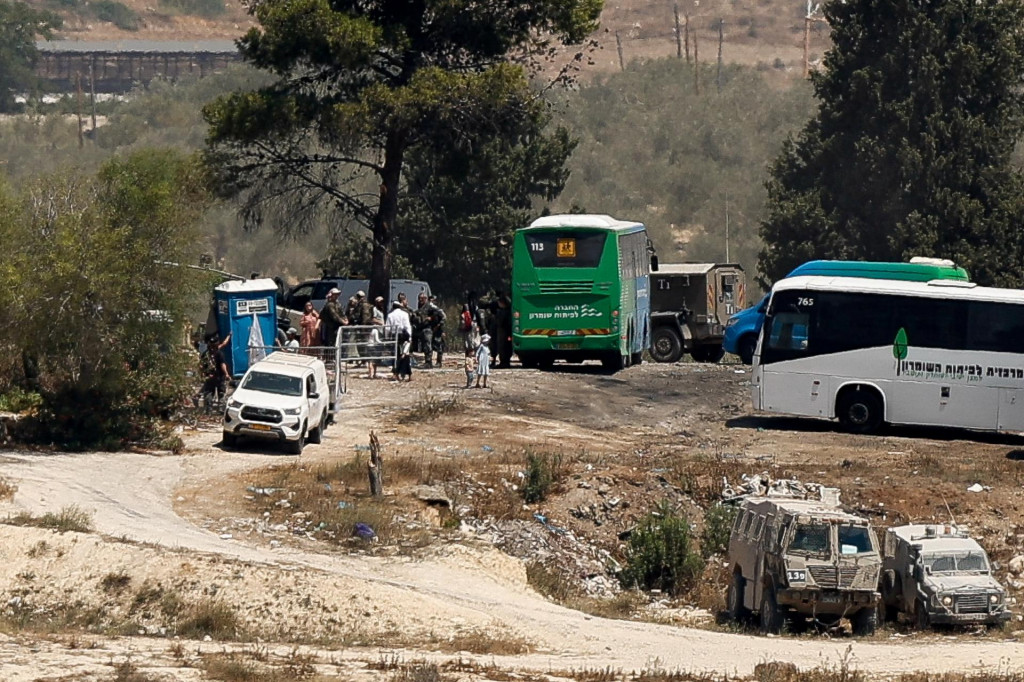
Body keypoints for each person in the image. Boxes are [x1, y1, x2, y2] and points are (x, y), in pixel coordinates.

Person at [201, 334, 231, 412]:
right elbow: (222, 364)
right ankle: (221, 409)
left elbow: (201, 366)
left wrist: (202, 374)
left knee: (209, 393)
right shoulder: (219, 353)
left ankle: (209, 409)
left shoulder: (205, 354)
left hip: (209, 377)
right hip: (219, 377)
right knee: (221, 393)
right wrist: (227, 374)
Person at [386, 300, 412, 378]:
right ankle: (405, 372)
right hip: (404, 335)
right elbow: (407, 326)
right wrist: (409, 336)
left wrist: (387, 337)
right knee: (405, 353)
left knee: (395, 354)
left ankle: (396, 370)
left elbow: (387, 328)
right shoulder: (405, 314)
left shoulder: (390, 315)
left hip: (394, 335)